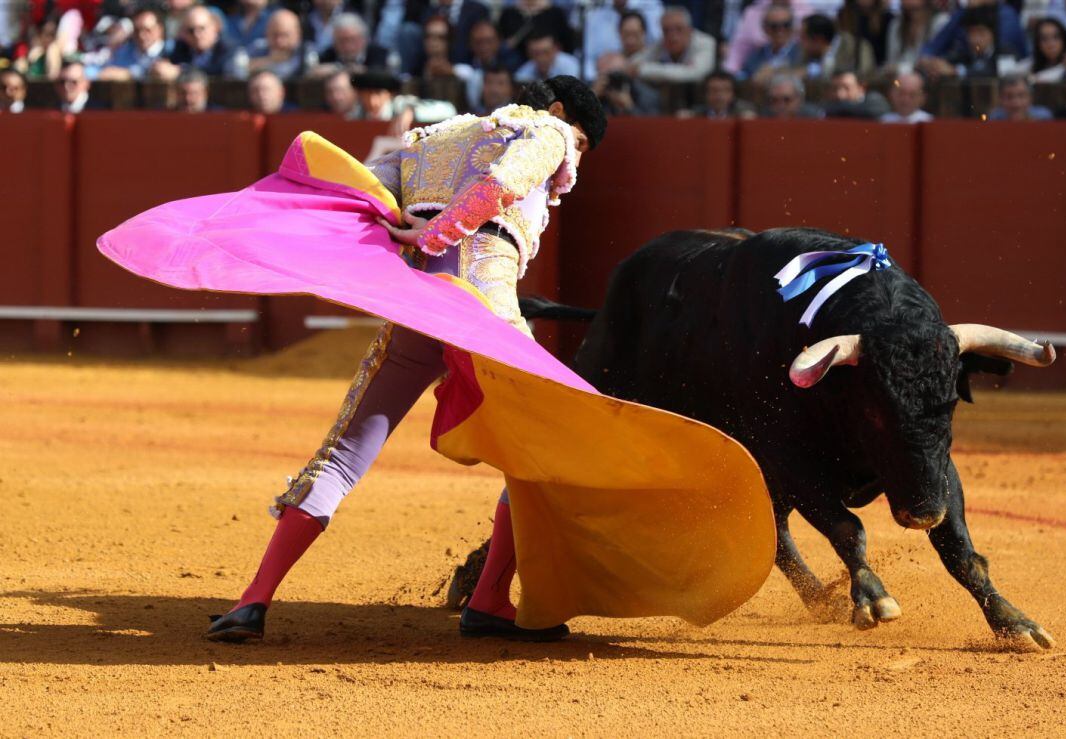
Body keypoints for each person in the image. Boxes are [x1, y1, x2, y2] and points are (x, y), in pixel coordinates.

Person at [108, 76, 608, 642]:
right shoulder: (545, 129)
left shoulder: (435, 138)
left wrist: (419, 240)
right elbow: (502, 183)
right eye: (583, 143)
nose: (575, 157)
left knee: (344, 453)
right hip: (481, 308)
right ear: (562, 111)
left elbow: (366, 196)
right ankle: (490, 598)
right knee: (543, 449)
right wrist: (438, 234)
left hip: (415, 302)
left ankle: (253, 600)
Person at [632, 5, 717, 84]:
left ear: (690, 30)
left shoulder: (706, 43)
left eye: (679, 29)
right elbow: (633, 64)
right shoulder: (662, 43)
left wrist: (644, 70)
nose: (672, 36)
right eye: (666, 30)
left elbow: (696, 74)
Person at [795, 13, 875, 81]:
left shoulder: (856, 48)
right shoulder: (805, 54)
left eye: (803, 37)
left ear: (818, 39)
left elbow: (864, 74)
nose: (800, 42)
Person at [882, 0, 948, 75]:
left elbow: (932, 64)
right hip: (899, 80)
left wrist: (901, 68)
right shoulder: (896, 25)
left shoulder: (941, 22)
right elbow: (891, 64)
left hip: (930, 80)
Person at [102, 8, 167, 81]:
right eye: (137, 30)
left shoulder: (172, 51)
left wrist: (129, 74)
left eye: (147, 30)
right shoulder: (124, 52)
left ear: (159, 30)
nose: (141, 35)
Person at [741, 4, 801, 81]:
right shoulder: (755, 56)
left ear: (793, 27)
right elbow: (742, 77)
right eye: (774, 26)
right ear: (765, 28)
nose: (780, 30)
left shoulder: (803, 53)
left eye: (786, 25)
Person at [591, 51, 660, 115]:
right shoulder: (594, 93)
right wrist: (592, 96)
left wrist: (630, 108)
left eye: (617, 75)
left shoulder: (648, 96)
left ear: (627, 73)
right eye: (608, 76)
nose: (613, 81)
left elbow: (651, 126)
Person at [1016, 17, 1066, 83]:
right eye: (1044, 39)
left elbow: (1060, 72)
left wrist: (1031, 79)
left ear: (1064, 39)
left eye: (1056, 37)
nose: (1051, 44)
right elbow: (1016, 68)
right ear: (1038, 44)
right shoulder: (1034, 61)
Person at [681, 70, 755, 118]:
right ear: (705, 93)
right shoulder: (695, 115)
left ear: (733, 94)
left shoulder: (742, 114)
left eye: (726, 90)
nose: (720, 95)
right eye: (714, 90)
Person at [514, 31, 579, 82]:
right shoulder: (522, 74)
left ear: (556, 49)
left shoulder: (571, 66)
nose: (541, 58)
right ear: (528, 53)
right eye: (536, 53)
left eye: (546, 52)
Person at [823, 68, 889, 118]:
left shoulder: (875, 102)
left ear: (861, 88)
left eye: (847, 88)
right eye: (834, 88)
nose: (840, 94)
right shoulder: (827, 104)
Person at [987, 73, 1054, 120]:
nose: (1016, 103)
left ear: (1030, 97)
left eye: (1021, 96)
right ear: (1000, 99)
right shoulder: (995, 118)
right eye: (1009, 97)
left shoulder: (1043, 117)